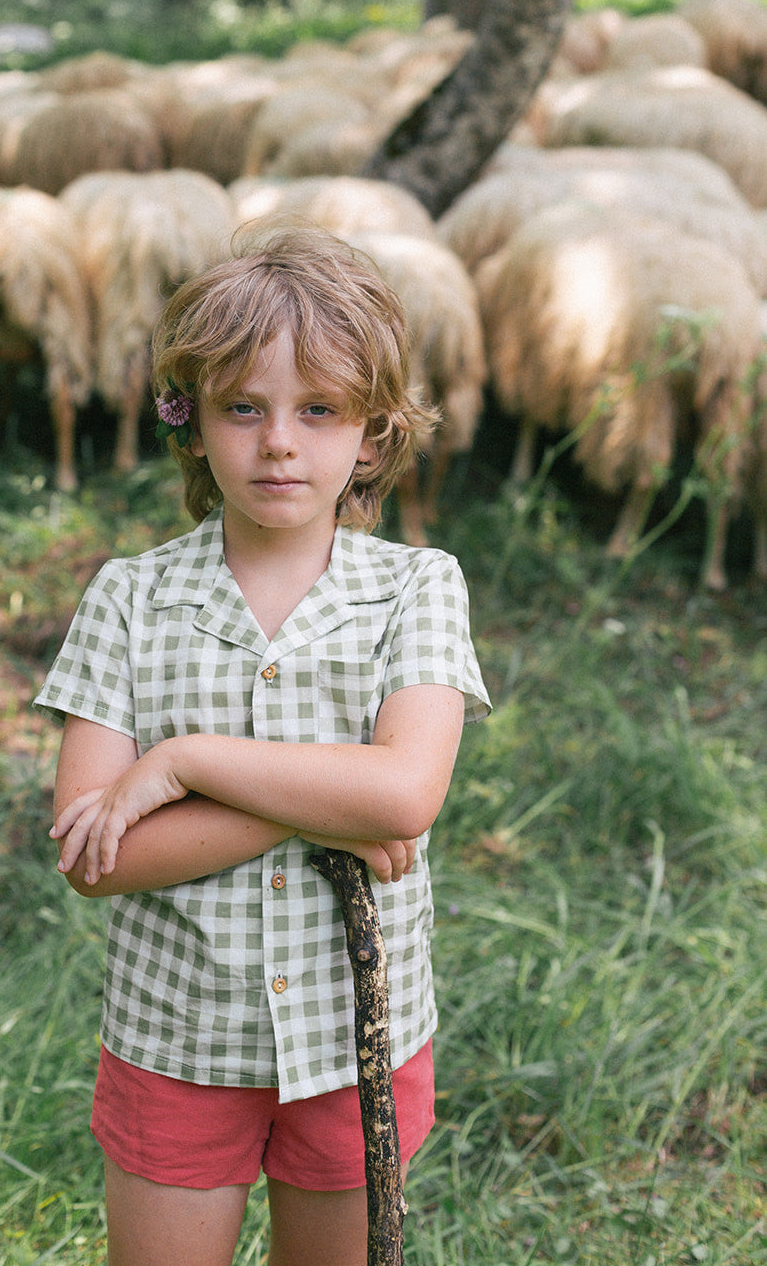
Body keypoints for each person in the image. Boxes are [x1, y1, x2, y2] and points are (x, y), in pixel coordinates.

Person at [37, 228, 490, 1266]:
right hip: (177, 1036)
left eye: (317, 408)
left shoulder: (418, 587)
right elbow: (94, 854)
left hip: (352, 1036)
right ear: (190, 421)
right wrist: (323, 793)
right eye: (244, 406)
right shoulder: (128, 597)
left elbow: (404, 796)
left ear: (370, 434)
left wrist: (185, 762)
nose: (278, 441)